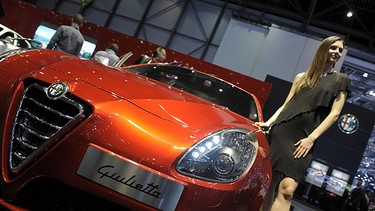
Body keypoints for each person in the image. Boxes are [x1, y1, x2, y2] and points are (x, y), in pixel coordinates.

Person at [255, 36, 351, 211]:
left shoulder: (341, 80)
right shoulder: (301, 77)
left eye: (340, 50)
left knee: (288, 190)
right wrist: (268, 123)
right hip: (281, 132)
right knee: (270, 184)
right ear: (323, 49)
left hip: (305, 138)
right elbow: (286, 105)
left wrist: (311, 139)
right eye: (333, 48)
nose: (336, 52)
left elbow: (335, 114)